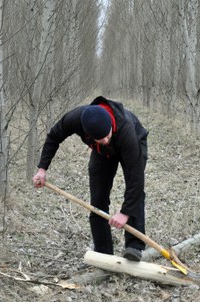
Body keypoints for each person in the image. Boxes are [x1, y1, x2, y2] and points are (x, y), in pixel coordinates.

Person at [33, 96, 148, 262]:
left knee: (135, 192)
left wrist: (124, 212)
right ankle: (103, 253)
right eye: (101, 139)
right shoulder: (75, 119)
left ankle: (134, 246)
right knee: (98, 200)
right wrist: (42, 168)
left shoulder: (126, 130)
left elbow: (135, 178)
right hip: (102, 153)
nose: (106, 140)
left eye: (107, 136)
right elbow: (53, 137)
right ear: (87, 134)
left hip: (132, 143)